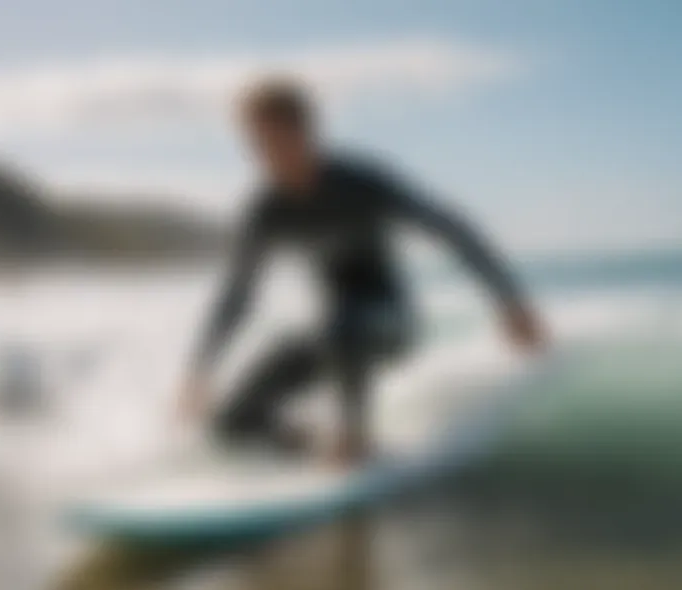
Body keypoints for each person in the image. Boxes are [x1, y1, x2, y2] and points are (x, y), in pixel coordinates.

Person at [177, 78, 545, 466]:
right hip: (330, 333)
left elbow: (452, 230)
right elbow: (238, 293)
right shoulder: (266, 209)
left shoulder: (361, 183)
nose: (266, 155)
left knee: (340, 322)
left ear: (305, 131)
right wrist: (201, 369)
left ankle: (356, 437)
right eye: (256, 144)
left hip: (390, 323)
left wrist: (511, 303)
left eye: (274, 140)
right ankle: (314, 442)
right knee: (231, 424)